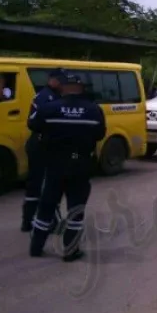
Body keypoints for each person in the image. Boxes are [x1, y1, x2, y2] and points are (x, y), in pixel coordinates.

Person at [27, 72, 106, 262]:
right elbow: (99, 134)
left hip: (55, 163)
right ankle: (70, 251)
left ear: (62, 87)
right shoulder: (94, 110)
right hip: (80, 165)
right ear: (80, 88)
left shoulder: (49, 108)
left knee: (46, 206)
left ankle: (36, 248)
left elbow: (33, 125)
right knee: (76, 209)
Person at [21, 68, 67, 232]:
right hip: (41, 144)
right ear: (52, 80)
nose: (62, 84)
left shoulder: (56, 97)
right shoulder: (44, 97)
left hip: (48, 145)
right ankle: (44, 220)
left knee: (39, 183)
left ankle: (32, 220)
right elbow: (32, 122)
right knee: (44, 184)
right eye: (60, 81)